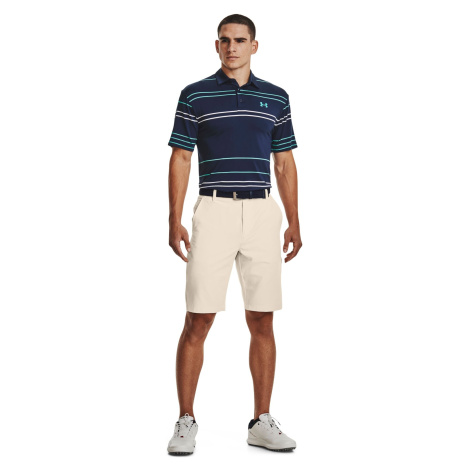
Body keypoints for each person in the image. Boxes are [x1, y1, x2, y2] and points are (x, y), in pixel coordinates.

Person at [166, 14, 302, 455]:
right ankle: (185, 420)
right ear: (217, 45)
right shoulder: (195, 95)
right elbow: (181, 158)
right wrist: (174, 219)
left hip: (262, 211)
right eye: (224, 40)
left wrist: (294, 220)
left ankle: (261, 421)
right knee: (198, 318)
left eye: (240, 40)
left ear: (254, 46)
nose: (231, 47)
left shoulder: (276, 97)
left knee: (262, 318)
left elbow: (284, 162)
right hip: (214, 209)